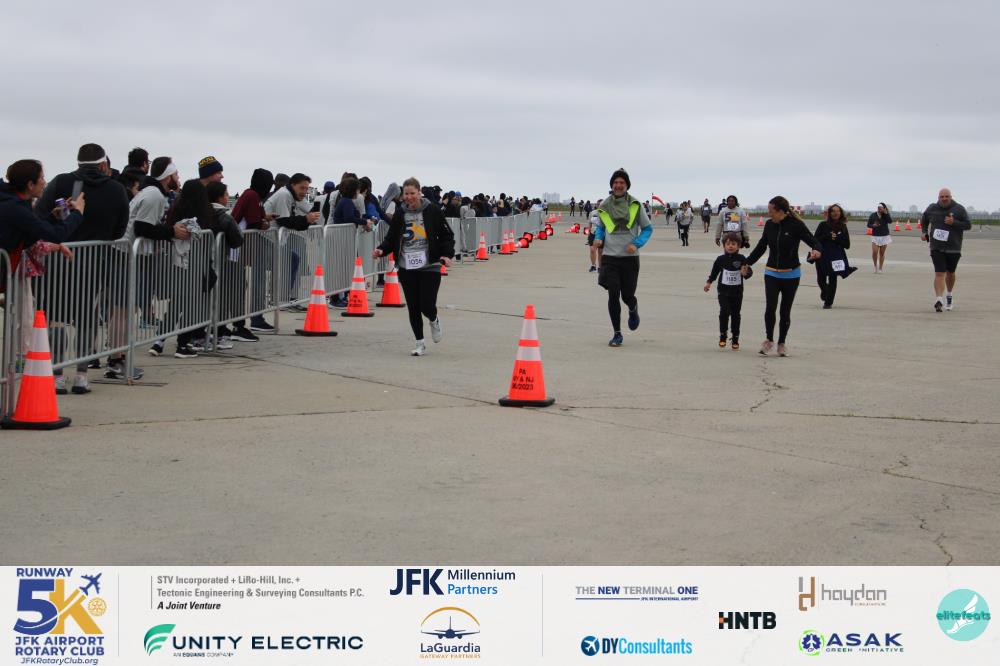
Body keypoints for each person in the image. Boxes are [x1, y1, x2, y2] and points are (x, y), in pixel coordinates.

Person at [35, 143, 132, 387]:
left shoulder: (61, 182)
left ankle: (57, 375)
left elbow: (40, 218)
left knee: (57, 316)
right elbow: (120, 228)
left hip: (60, 257)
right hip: (95, 259)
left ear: (78, 163)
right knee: (87, 315)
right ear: (103, 165)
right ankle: (81, 376)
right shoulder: (116, 189)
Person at [373, 177, 455, 356]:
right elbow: (391, 237)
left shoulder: (432, 210)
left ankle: (433, 319)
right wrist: (381, 249)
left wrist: (447, 254)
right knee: (413, 306)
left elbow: (447, 235)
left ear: (419, 192)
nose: (409, 197)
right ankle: (420, 343)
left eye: (412, 193)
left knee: (426, 304)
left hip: (430, 264)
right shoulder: (400, 213)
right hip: (406, 266)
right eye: (406, 194)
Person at [745, 196, 822, 357]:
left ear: (780, 211)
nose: (769, 214)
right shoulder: (769, 225)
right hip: (771, 273)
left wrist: (816, 250)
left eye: (771, 211)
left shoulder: (796, 225)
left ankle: (782, 343)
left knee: (785, 311)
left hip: (791, 275)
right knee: (770, 307)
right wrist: (747, 263)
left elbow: (814, 241)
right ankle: (769, 340)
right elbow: (761, 247)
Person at [594, 168, 653, 347]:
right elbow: (601, 227)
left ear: (627, 185)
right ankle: (617, 334)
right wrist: (598, 238)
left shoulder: (635, 204)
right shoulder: (604, 205)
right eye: (615, 183)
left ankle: (633, 308)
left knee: (627, 296)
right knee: (613, 294)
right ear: (611, 185)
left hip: (630, 258)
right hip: (610, 257)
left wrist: (637, 243)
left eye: (622, 183)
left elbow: (648, 228)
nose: (618, 185)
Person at [0, 159, 83, 254]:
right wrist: (78, 213)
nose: (45, 183)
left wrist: (53, 217)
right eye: (42, 178)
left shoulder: (14, 202)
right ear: (31, 185)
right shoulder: (15, 207)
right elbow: (56, 235)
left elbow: (28, 238)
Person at [231, 168, 275, 336]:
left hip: (238, 246)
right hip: (237, 248)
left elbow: (257, 218)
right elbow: (254, 223)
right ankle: (238, 325)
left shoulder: (250, 194)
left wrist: (265, 219)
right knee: (237, 286)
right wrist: (265, 224)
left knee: (239, 285)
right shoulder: (252, 196)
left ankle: (239, 324)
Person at [207, 180, 244, 349]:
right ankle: (219, 332)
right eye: (226, 194)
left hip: (201, 261)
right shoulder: (224, 216)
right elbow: (237, 240)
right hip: (218, 262)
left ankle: (202, 332)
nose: (227, 197)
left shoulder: (201, 213)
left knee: (203, 300)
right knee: (220, 297)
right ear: (220, 197)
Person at [921, 187, 971, 312]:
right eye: (941, 197)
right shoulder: (932, 208)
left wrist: (954, 222)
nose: (944, 199)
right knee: (939, 273)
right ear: (938, 197)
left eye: (946, 196)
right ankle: (939, 299)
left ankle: (949, 295)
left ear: (951, 197)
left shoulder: (959, 209)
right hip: (936, 247)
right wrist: (924, 232)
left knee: (950, 273)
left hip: (954, 247)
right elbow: (924, 219)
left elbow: (968, 225)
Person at [704, 232, 753, 350]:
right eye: (728, 244)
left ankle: (735, 337)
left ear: (738, 246)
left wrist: (745, 273)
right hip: (723, 291)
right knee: (724, 312)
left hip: (737, 292)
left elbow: (748, 272)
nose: (730, 246)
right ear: (724, 246)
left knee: (736, 314)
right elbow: (714, 272)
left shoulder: (742, 259)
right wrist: (709, 282)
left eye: (733, 244)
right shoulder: (720, 259)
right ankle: (723, 334)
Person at [811, 203, 856, 309]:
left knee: (833, 278)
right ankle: (825, 291)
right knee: (821, 279)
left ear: (840, 213)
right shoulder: (822, 225)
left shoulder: (843, 226)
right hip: (822, 255)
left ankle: (828, 302)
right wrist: (827, 236)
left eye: (838, 211)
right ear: (829, 213)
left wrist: (837, 238)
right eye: (833, 211)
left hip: (836, 256)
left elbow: (847, 245)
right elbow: (814, 240)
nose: (836, 213)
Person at [866, 202, 892, 273]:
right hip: (875, 236)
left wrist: (886, 213)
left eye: (881, 208)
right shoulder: (873, 215)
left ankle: (880, 268)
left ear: (884, 208)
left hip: (884, 236)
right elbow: (868, 225)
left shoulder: (886, 215)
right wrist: (873, 225)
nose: (879, 209)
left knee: (882, 253)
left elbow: (890, 221)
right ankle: (875, 267)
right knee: (875, 252)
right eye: (878, 208)